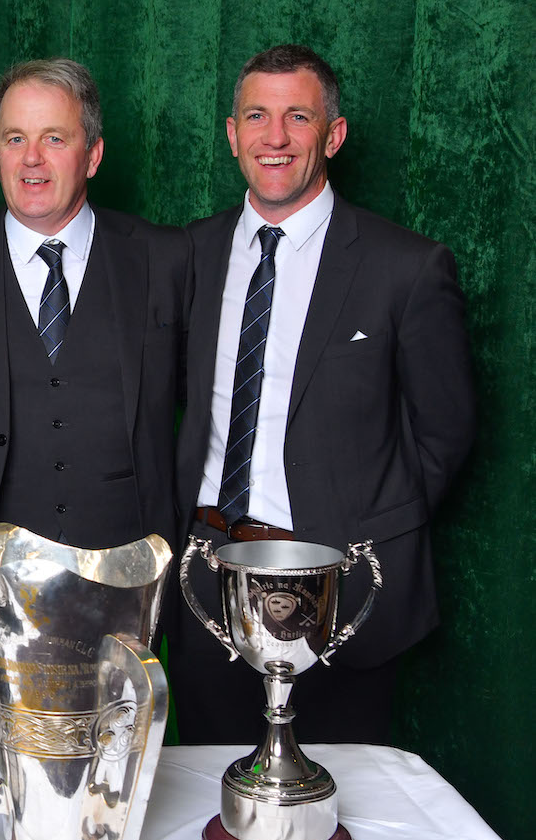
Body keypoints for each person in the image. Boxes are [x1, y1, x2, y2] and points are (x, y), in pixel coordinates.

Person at [172, 44, 476, 744]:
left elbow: (446, 432)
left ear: (332, 134)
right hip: (209, 588)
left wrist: (366, 526)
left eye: (297, 117)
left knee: (336, 810)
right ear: (231, 134)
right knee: (204, 799)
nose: (274, 137)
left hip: (341, 597)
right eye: (257, 116)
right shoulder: (189, 254)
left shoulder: (406, 267)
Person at [0, 60, 189, 617]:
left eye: (54, 138)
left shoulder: (164, 258)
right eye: (15, 138)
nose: (32, 158)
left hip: (130, 579)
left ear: (93, 154)